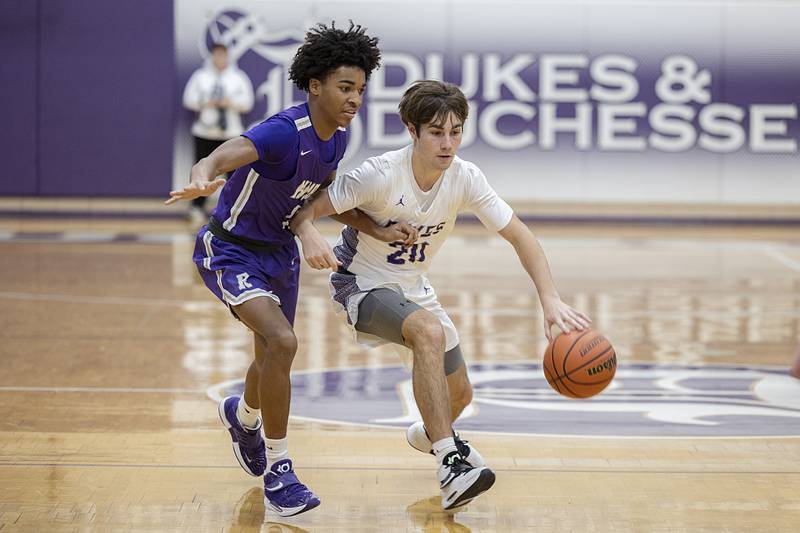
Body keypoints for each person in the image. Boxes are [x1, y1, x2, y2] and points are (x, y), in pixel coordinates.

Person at [290, 80, 592, 510]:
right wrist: (307, 233)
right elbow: (313, 204)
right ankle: (449, 462)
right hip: (360, 282)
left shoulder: (465, 178)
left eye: (455, 131)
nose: (447, 143)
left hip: (414, 285)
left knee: (461, 395)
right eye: (436, 132)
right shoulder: (380, 174)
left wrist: (550, 299)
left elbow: (519, 234)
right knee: (428, 333)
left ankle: (429, 433)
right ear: (412, 131)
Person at [165, 22, 410, 517]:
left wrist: (374, 228)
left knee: (269, 358)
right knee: (283, 343)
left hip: (279, 255)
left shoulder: (338, 139)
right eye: (345, 87)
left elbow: (320, 198)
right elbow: (222, 154)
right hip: (230, 249)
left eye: (361, 89)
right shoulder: (283, 131)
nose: (355, 98)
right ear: (314, 85)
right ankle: (279, 471)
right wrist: (200, 177)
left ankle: (243, 415)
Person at [182, 43, 255, 224]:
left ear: (228, 56)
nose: (219, 59)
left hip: (230, 132)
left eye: (223, 55)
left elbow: (247, 103)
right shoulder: (201, 77)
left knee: (234, 174)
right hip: (205, 132)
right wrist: (208, 101)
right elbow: (188, 99)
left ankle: (233, 210)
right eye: (216, 55)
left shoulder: (238, 77)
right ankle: (197, 207)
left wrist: (230, 102)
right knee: (202, 170)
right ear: (212, 56)